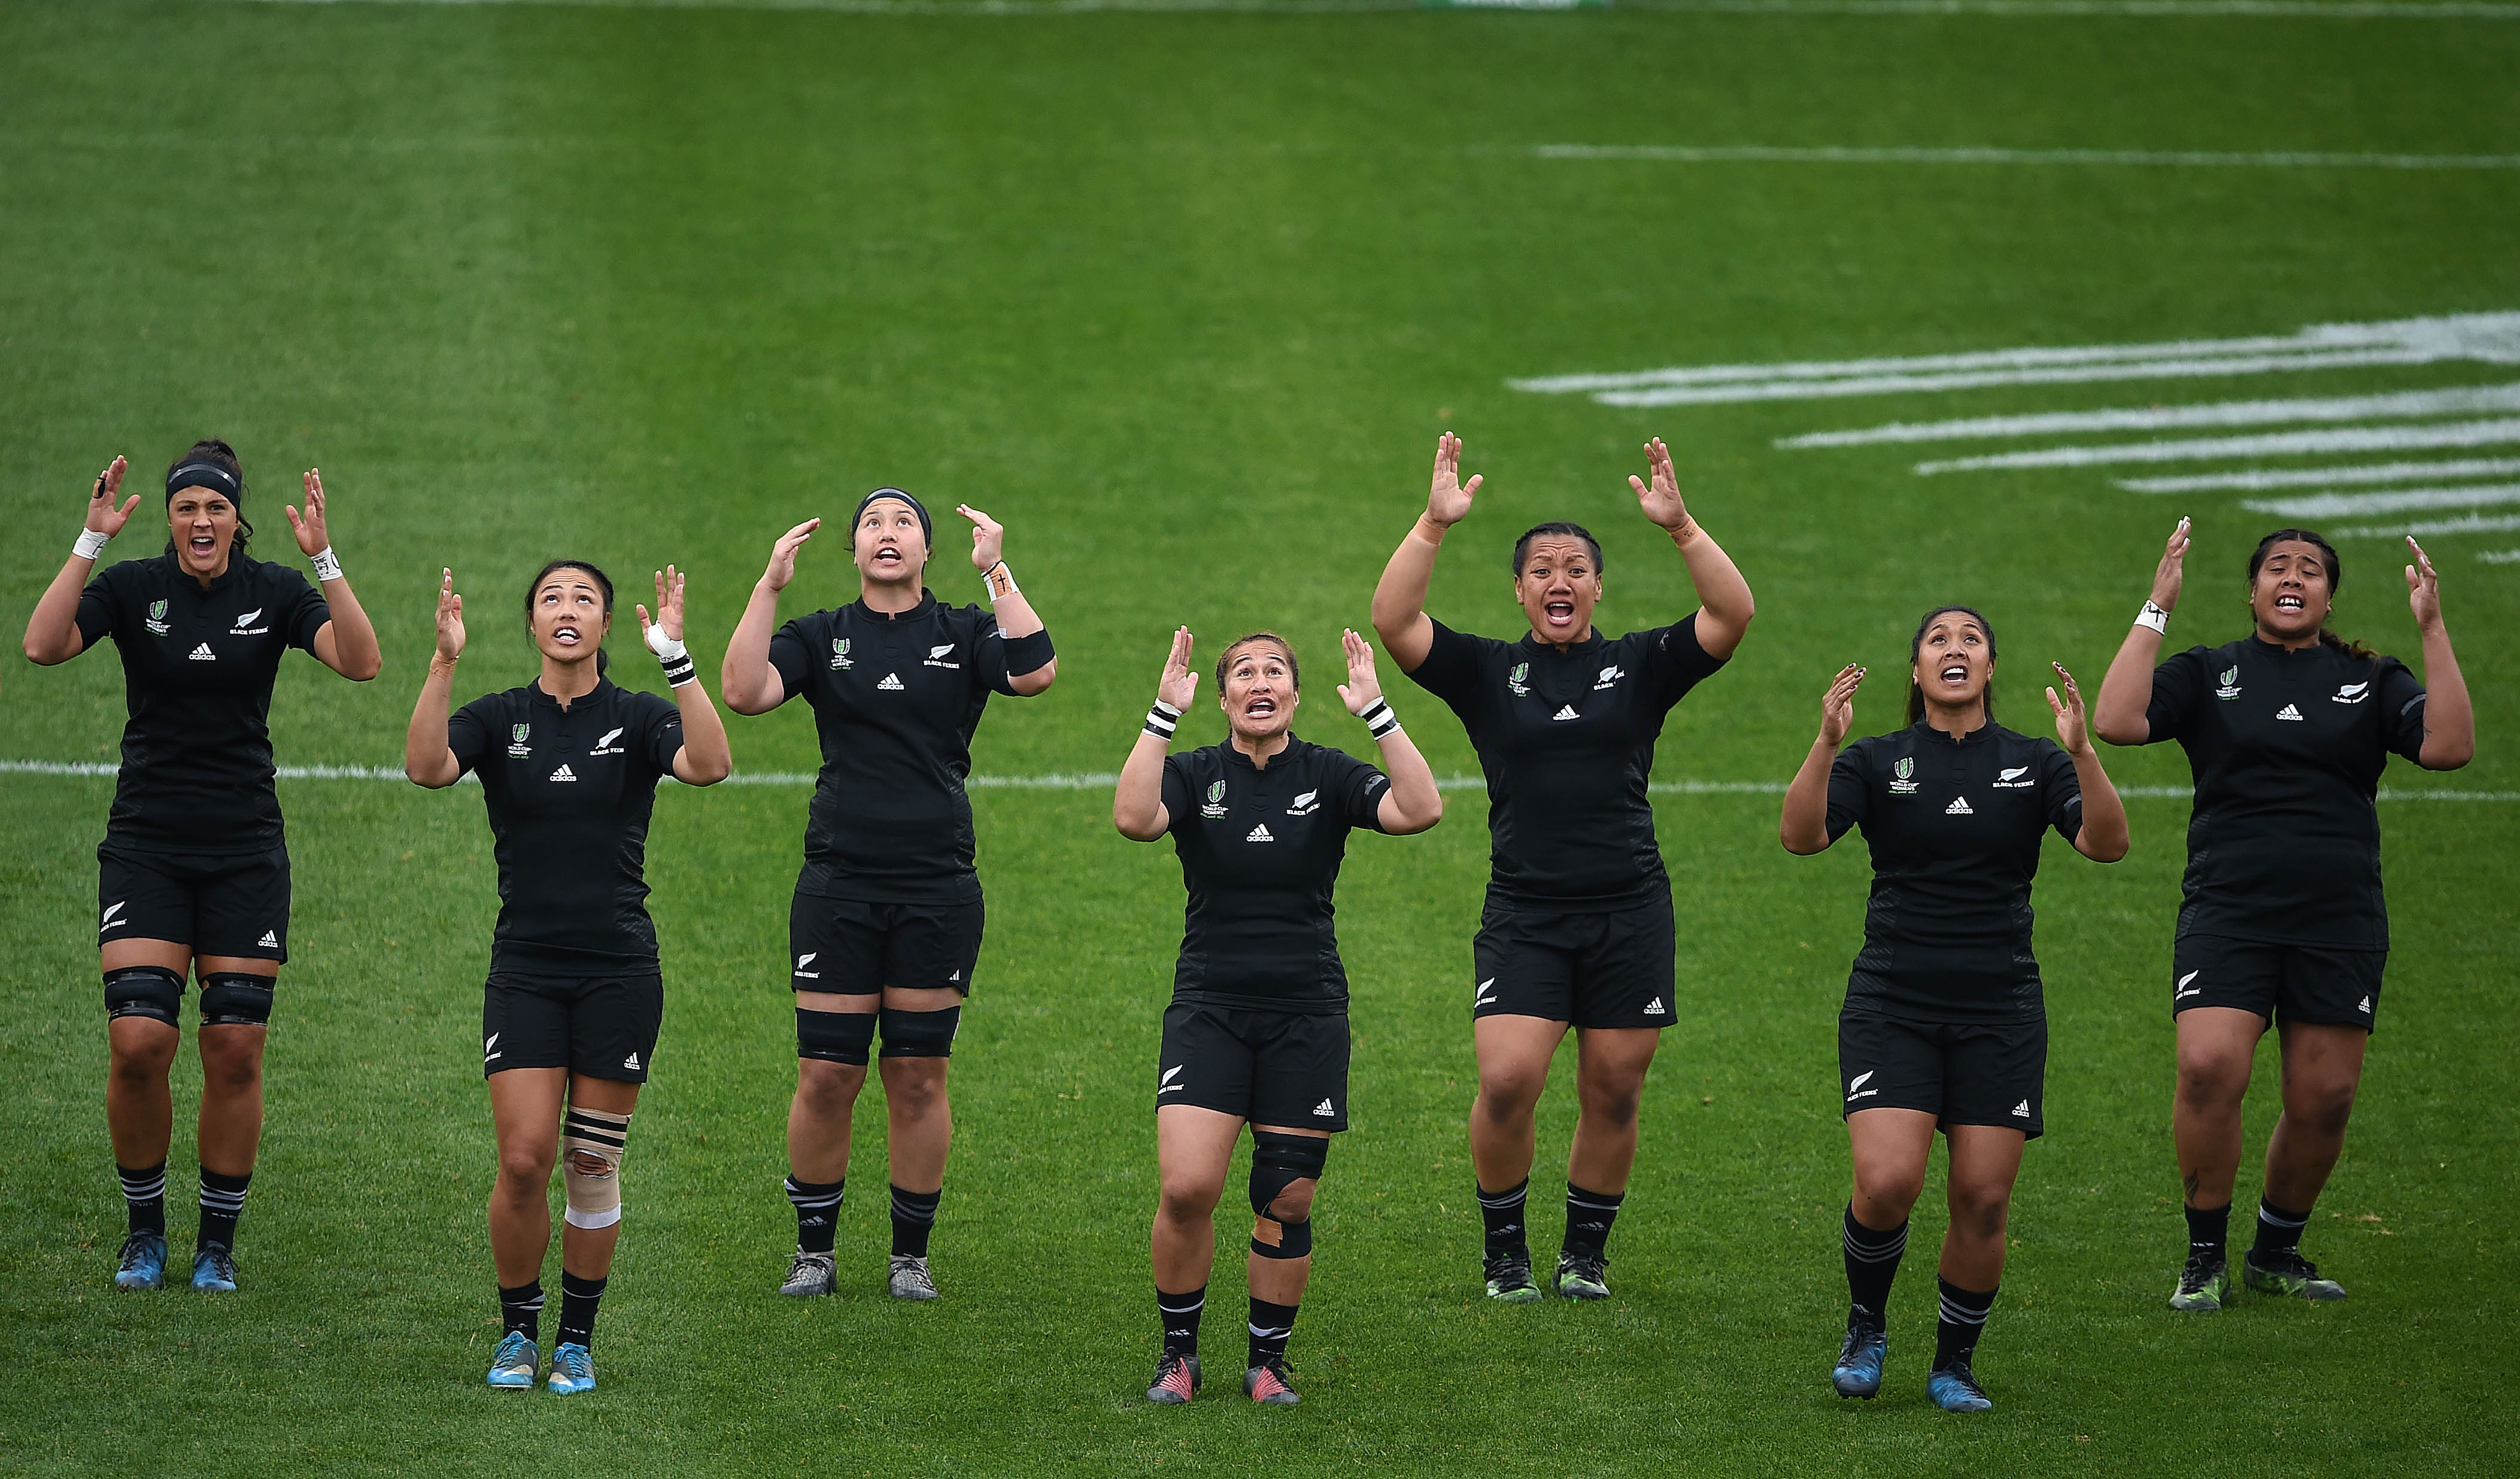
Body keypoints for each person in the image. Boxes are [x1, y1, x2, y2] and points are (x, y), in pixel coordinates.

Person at [1369, 432, 1754, 1302]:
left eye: (1574, 567)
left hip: (1629, 908)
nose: (1557, 581)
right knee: (1507, 1080)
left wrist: (1683, 528)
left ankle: (1584, 1255)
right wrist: (1432, 524)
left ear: (1596, 587)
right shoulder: (1486, 672)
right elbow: (1394, 623)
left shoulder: (1641, 666)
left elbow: (1731, 618)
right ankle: (1504, 1251)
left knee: (1614, 1086)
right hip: (1526, 911)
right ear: (1517, 590)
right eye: (1541, 568)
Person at [21, 445, 381, 1293]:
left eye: (214, 508)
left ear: (236, 518)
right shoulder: (132, 587)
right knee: (140, 1041)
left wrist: (324, 560)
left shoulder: (276, 593)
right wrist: (89, 540)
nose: (200, 522)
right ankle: (143, 1232)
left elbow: (362, 661)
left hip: (244, 851)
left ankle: (216, 1243)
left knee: (235, 1047)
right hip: (147, 842)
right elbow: (42, 646)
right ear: (172, 519)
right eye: (186, 508)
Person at [2093, 524, 2472, 1312]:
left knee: (2323, 1095)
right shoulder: (2211, 671)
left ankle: (2275, 1251)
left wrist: (2431, 627)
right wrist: (2157, 607)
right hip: (2229, 909)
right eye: (2275, 567)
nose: (2290, 578)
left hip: (2337, 918)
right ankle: (2203, 1259)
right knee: (2207, 1068)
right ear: (2254, 589)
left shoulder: (2369, 678)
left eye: (2308, 569)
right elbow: (2117, 720)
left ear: (2328, 595)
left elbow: (2447, 747)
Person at [1780, 609, 2129, 1413]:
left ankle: (1953, 1365)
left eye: (1969, 639)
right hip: (1893, 1000)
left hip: (1999, 1007)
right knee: (1885, 1182)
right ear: (1915, 671)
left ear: (1989, 666)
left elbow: (2106, 845)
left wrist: (2081, 753)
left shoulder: (2034, 759)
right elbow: (1801, 838)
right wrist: (1825, 742)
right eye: (1937, 640)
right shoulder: (1876, 758)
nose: (1953, 649)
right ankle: (1866, 1327)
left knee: (1981, 1196)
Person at [722, 488, 1057, 1301]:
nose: (886, 533)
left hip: (936, 883)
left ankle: (911, 1254)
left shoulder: (963, 630)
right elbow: (743, 691)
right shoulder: (823, 634)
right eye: (871, 522)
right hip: (839, 881)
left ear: (927, 550)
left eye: (903, 522)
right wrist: (769, 586)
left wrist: (997, 573)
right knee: (826, 1077)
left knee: (916, 1076)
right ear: (854, 549)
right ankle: (815, 1252)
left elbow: (1034, 671)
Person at [406, 560, 731, 1393]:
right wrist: (444, 662)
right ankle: (518, 1332)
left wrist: (679, 658)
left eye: (584, 599)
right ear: (530, 624)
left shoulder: (636, 716)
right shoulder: (500, 716)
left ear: (606, 626)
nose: (566, 609)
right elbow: (426, 767)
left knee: (590, 1161)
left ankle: (576, 1341)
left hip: (618, 969)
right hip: (525, 968)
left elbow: (709, 763)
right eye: (551, 598)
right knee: (522, 1159)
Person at [1115, 628, 1443, 1406]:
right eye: (1242, 673)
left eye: (1274, 672)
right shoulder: (1194, 772)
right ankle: (1178, 1355)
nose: (1258, 683)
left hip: (1307, 1013)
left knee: (1286, 1196)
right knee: (1189, 1186)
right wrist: (1162, 712)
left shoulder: (1326, 772)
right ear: (1223, 695)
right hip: (1209, 1009)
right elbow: (1133, 818)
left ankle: (1267, 1362)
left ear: (1294, 694)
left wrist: (1377, 711)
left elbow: (1419, 809)